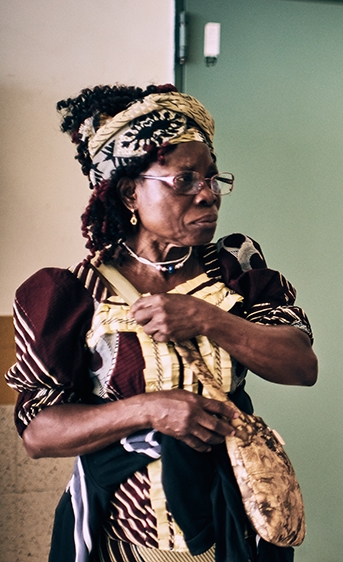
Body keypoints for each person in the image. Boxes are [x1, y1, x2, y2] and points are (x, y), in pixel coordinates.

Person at [4, 84, 318, 562]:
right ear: (131, 191)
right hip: (123, 541)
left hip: (232, 532)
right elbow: (38, 433)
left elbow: (301, 366)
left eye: (213, 180)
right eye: (185, 181)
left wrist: (209, 319)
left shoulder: (235, 268)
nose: (209, 196)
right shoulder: (75, 293)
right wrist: (151, 410)